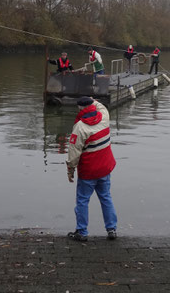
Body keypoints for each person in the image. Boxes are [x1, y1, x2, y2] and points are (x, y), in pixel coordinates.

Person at [66, 96, 117, 241]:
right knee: (106, 198)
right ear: (92, 106)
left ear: (79, 109)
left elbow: (73, 153)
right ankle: (111, 229)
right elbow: (100, 106)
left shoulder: (80, 127)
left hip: (89, 171)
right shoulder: (104, 117)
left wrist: (70, 171)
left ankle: (82, 232)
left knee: (82, 200)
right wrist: (92, 100)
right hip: (105, 168)